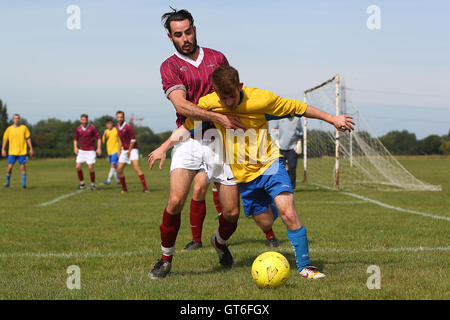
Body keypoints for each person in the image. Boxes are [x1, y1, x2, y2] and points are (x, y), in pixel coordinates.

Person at [154, 66, 355, 279]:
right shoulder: (208, 103)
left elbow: (299, 107)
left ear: (240, 87)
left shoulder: (261, 98)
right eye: (224, 99)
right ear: (215, 92)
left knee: (289, 213)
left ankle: (306, 267)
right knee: (266, 222)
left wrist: (332, 119)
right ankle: (266, 211)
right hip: (243, 175)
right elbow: (187, 126)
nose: (229, 103)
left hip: (270, 162)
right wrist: (163, 147)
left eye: (232, 96)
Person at [115, 111, 149, 193]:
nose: (119, 118)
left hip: (133, 149)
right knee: (119, 170)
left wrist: (129, 151)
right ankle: (124, 189)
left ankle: (146, 189)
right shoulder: (117, 127)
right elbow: (120, 139)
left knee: (136, 168)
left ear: (123, 117)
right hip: (124, 150)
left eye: (121, 117)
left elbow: (133, 140)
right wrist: (119, 151)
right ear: (116, 118)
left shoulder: (128, 127)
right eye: (118, 117)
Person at [2, 114, 33, 189]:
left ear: (19, 119)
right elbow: (5, 140)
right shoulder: (9, 129)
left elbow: (28, 139)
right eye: (15, 118)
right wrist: (3, 149)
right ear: (13, 119)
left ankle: (23, 185)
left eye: (18, 118)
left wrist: (31, 148)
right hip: (12, 152)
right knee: (9, 168)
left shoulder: (24, 128)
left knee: (22, 168)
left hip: (22, 152)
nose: (16, 120)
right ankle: (7, 183)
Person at [270, 117, 303, 189]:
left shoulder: (297, 119)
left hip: (292, 147)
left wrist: (299, 142)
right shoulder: (279, 118)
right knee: (281, 167)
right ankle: (281, 184)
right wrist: (276, 140)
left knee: (292, 167)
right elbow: (273, 129)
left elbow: (300, 131)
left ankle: (292, 186)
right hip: (280, 147)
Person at [73, 114, 101, 190]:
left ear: (87, 120)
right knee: (78, 167)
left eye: (85, 120)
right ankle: (82, 184)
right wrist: (75, 147)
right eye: (83, 120)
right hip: (82, 151)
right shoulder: (78, 128)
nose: (84, 121)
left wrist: (98, 148)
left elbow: (98, 138)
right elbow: (75, 139)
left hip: (90, 151)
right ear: (80, 120)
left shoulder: (92, 128)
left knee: (90, 167)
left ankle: (93, 185)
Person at [102, 118, 120, 185]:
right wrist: (104, 134)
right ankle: (118, 180)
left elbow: (120, 139)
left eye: (110, 123)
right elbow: (103, 141)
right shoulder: (106, 131)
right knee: (114, 166)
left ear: (112, 124)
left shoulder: (116, 130)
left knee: (112, 165)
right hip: (109, 152)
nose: (109, 125)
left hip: (115, 151)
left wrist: (120, 149)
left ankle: (108, 180)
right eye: (107, 124)